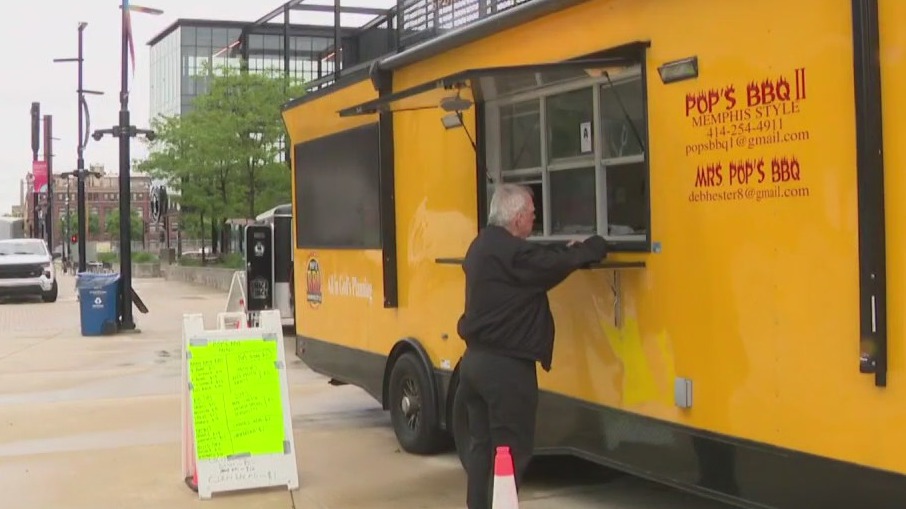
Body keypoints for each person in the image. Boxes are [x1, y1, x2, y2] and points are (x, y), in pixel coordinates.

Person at [456, 183, 609, 509]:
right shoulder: (514, 254)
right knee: (511, 455)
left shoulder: (482, 245)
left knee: (482, 450)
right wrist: (594, 245)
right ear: (517, 218)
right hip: (506, 371)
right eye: (532, 213)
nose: (535, 219)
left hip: (473, 365)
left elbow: (535, 259)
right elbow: (550, 265)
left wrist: (561, 250)